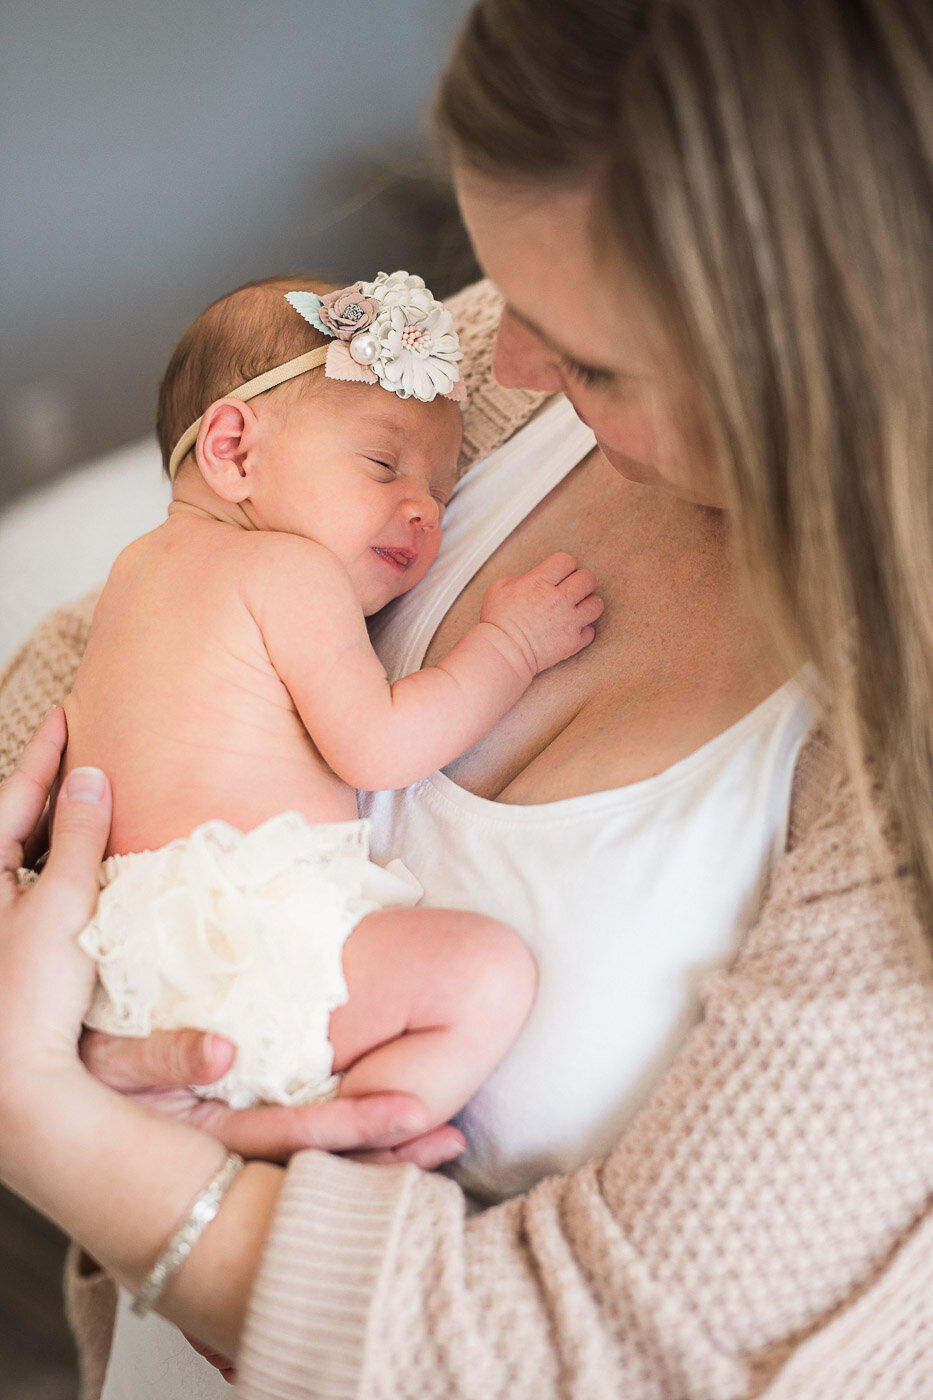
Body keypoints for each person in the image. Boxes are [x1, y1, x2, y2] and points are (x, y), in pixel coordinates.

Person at [1, 0, 931, 1396]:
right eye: (499, 289)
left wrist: (50, 1120)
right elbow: (102, 653)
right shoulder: (496, 364)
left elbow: (579, 1349)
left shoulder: (895, 765)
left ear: (833, 353)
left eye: (592, 358)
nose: (500, 360)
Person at [61, 269, 600, 1119]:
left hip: (116, 951)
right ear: (233, 450)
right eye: (382, 465)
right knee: (485, 975)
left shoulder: (132, 573)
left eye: (441, 491)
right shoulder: (289, 571)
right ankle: (361, 1123)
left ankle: (248, 1131)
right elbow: (381, 749)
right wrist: (510, 646)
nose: (423, 512)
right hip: (240, 942)